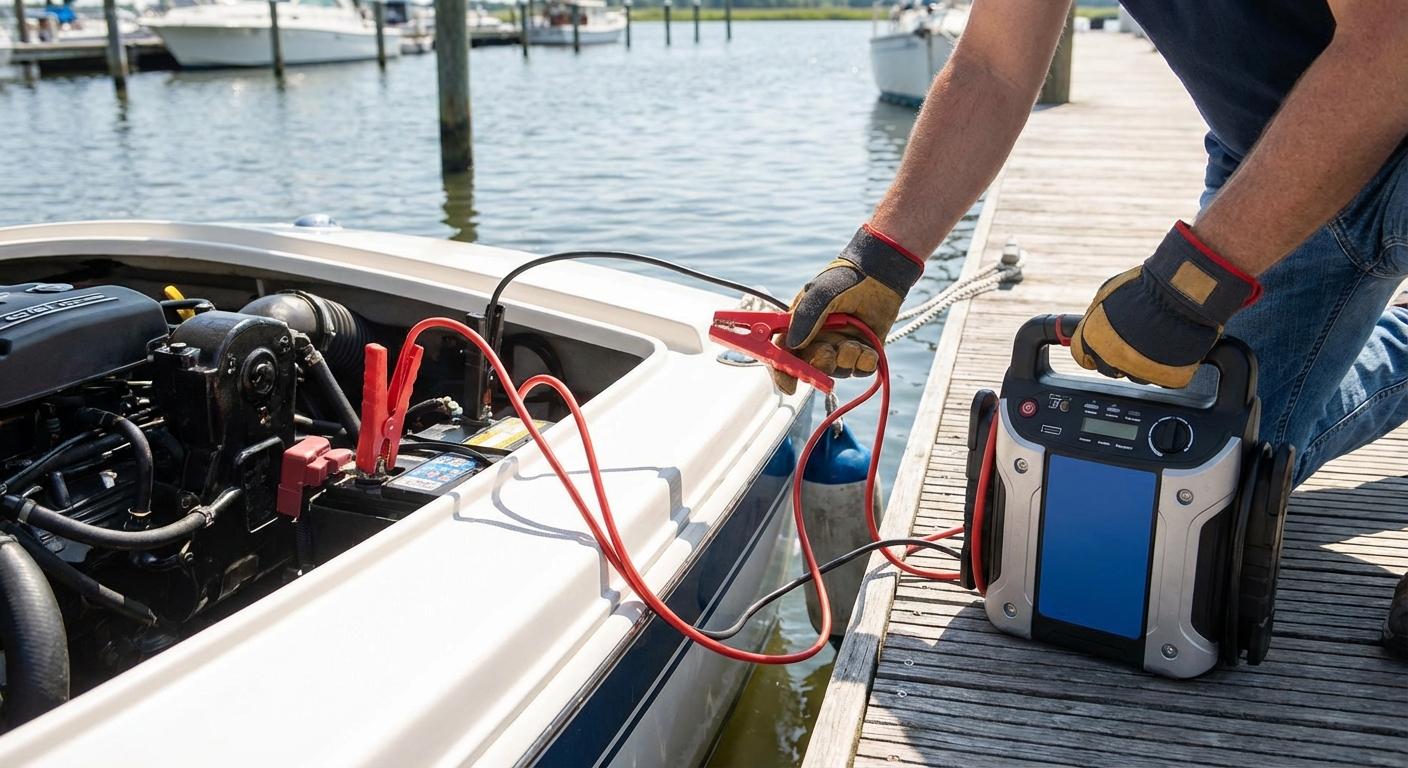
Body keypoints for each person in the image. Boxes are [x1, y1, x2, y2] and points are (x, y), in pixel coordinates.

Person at [773, 1, 1408, 658]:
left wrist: (1193, 282)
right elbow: (992, 66)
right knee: (1225, 460)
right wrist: (883, 259)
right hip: (1281, 152)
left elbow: (1393, 40)